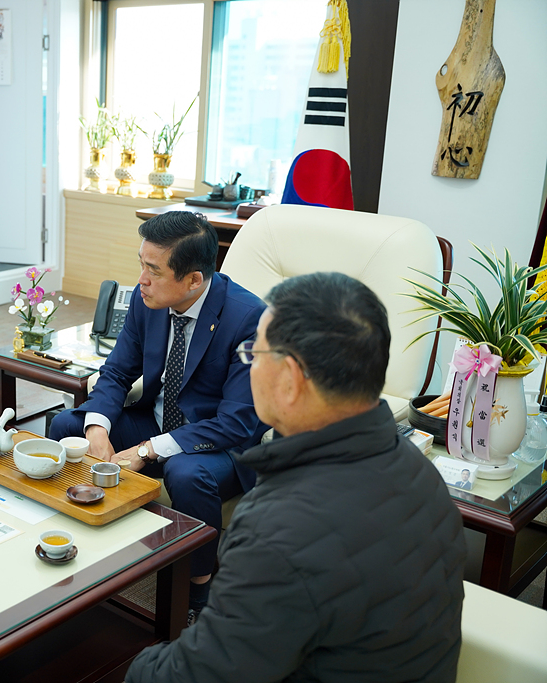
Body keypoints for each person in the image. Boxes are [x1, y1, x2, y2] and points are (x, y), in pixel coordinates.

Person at [126, 272, 466, 683]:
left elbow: (200, 674)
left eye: (253, 354)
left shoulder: (279, 531)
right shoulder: (420, 472)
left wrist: (136, 664)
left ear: (289, 379)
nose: (248, 366)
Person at [49, 211, 268, 617]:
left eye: (153, 270)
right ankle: (86, 534)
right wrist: (98, 429)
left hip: (218, 442)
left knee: (184, 472)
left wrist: (148, 450)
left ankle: (197, 591)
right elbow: (116, 371)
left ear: (193, 280)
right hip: (158, 419)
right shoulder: (147, 300)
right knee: (68, 426)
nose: (141, 280)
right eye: (141, 264)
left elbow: (237, 422)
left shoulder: (249, 318)